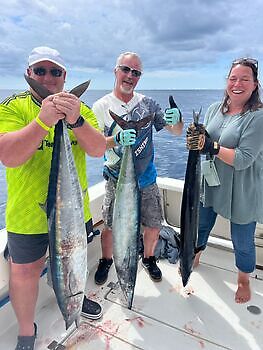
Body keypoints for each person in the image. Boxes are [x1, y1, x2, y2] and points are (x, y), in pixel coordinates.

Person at [0, 46, 106, 350]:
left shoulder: (80, 109)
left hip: (73, 212)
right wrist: (43, 120)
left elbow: (98, 149)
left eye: (55, 72)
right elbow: (8, 155)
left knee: (75, 260)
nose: (48, 78)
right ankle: (24, 331)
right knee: (24, 272)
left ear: (64, 76)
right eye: (40, 71)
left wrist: (76, 121)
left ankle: (74, 294)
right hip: (26, 215)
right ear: (29, 74)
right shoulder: (12, 107)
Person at [92, 52, 184, 285]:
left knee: (153, 225)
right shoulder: (101, 106)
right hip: (116, 180)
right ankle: (106, 260)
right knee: (111, 226)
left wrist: (178, 119)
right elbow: (92, 146)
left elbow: (176, 131)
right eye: (126, 69)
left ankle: (149, 258)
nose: (130, 76)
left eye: (136, 72)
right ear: (115, 71)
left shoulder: (149, 104)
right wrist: (116, 139)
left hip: (147, 179)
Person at [186, 57, 263, 304]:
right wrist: (197, 137)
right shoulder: (213, 109)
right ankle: (194, 257)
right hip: (212, 183)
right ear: (227, 81)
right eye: (233, 78)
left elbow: (243, 159)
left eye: (244, 79)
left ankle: (243, 279)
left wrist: (211, 145)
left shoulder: (258, 116)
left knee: (242, 241)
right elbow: (205, 141)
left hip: (242, 189)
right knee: (201, 226)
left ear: (255, 84)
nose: (237, 84)